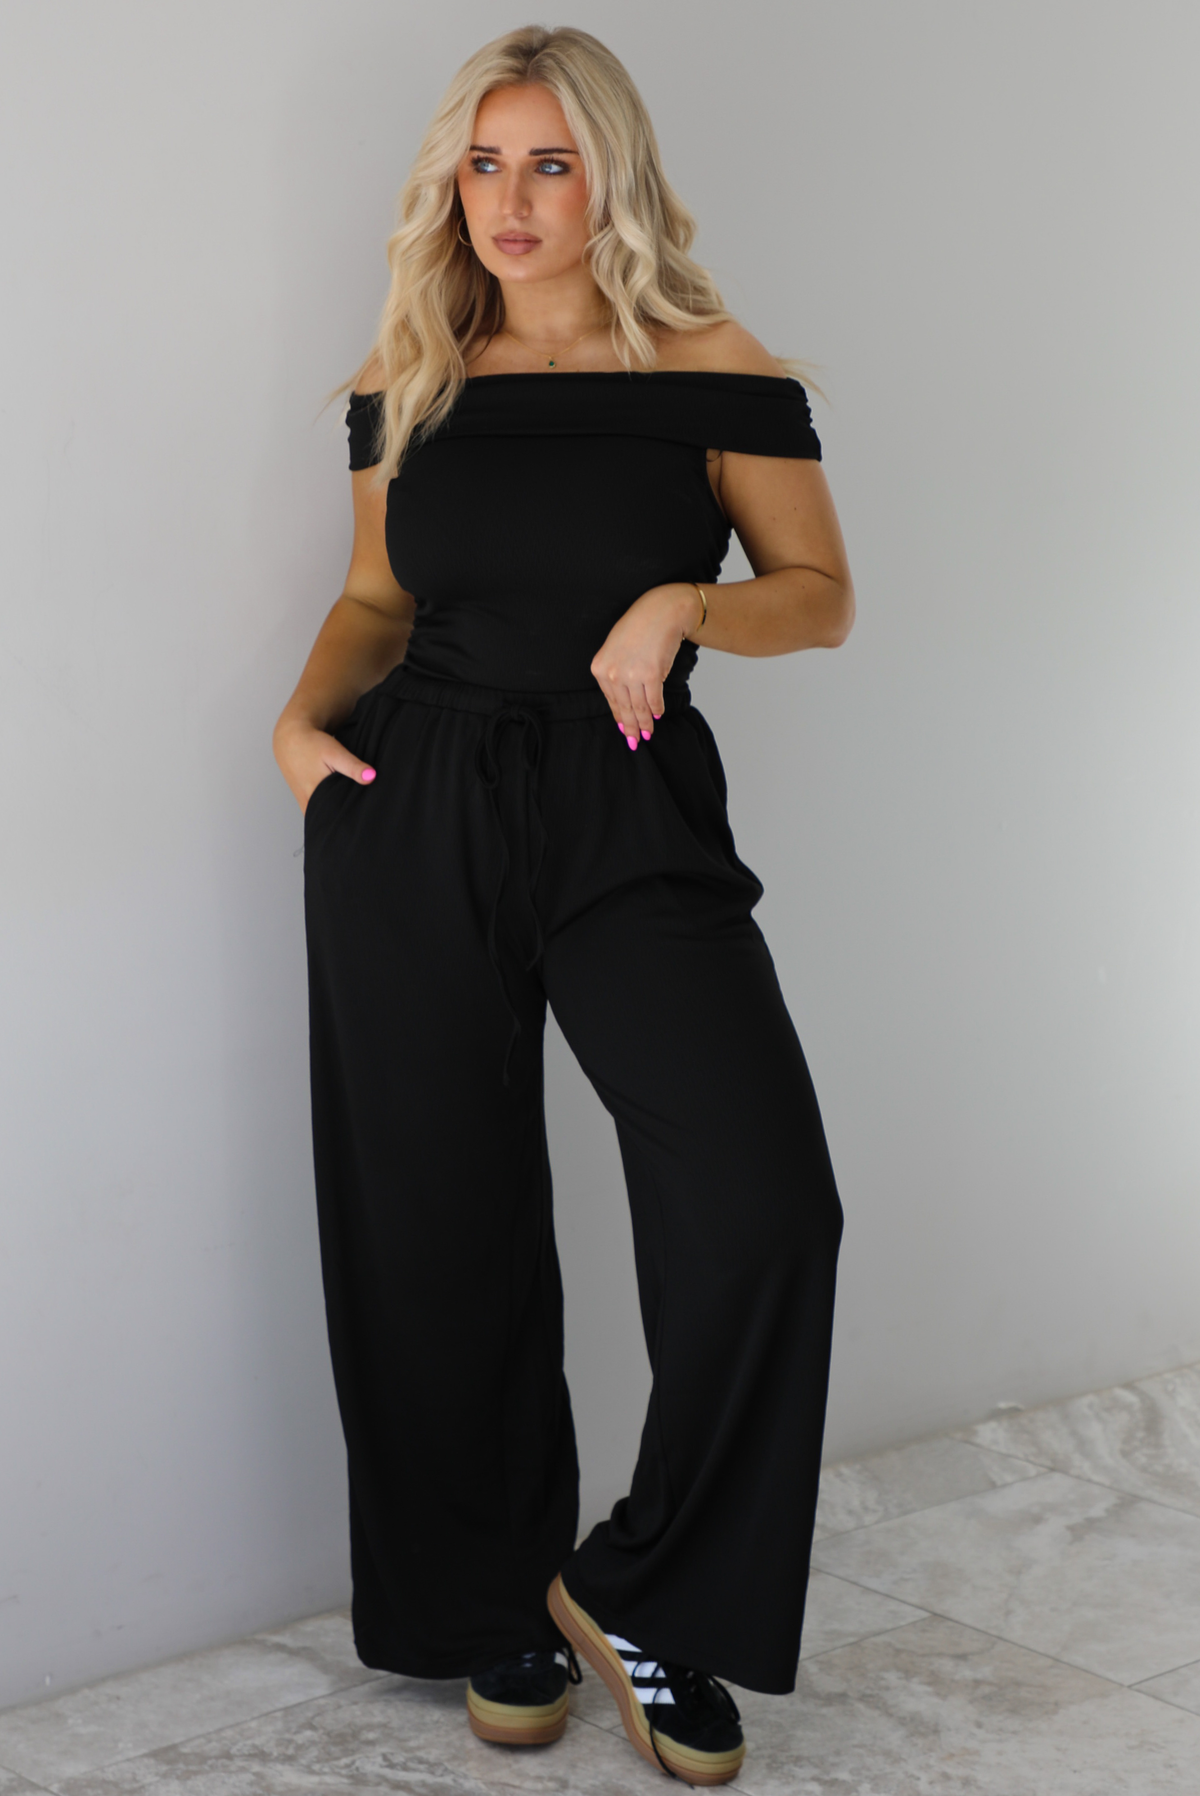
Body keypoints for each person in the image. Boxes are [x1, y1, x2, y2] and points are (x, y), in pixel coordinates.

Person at [273, 24, 853, 1788]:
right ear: (449, 182)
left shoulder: (709, 362)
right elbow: (380, 597)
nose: (513, 199)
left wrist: (684, 601)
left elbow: (819, 593)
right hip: (412, 801)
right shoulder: (414, 373)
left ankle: (644, 1590)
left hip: (629, 814)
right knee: (437, 1229)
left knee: (764, 1205)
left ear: (611, 173)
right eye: (484, 163)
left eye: (549, 162)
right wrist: (301, 724)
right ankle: (489, 1604)